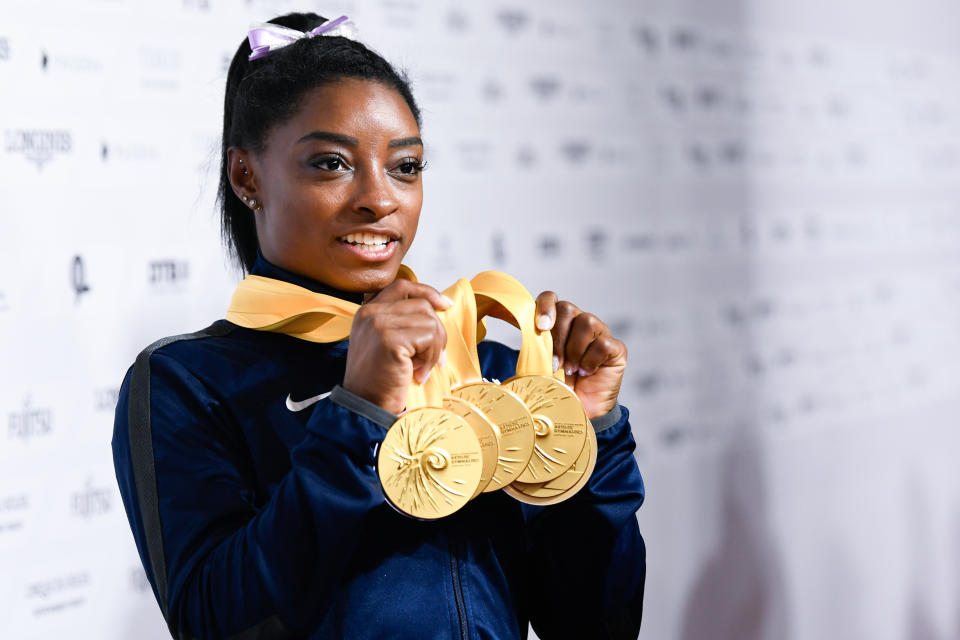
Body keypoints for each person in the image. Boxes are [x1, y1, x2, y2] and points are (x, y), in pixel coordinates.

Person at [112, 11, 645, 640]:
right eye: (332, 164)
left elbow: (594, 625)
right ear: (246, 176)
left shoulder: (488, 365)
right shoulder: (185, 383)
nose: (379, 197)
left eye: (406, 167)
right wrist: (356, 414)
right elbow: (219, 626)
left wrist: (590, 437)